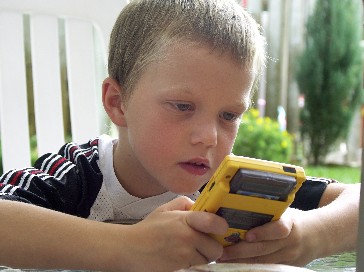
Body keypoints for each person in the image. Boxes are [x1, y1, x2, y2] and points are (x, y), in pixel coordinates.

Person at [0, 0, 359, 271]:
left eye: (229, 115)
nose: (209, 137)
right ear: (118, 103)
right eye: (182, 106)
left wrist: (313, 235)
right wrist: (126, 246)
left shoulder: (230, 184)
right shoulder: (79, 175)